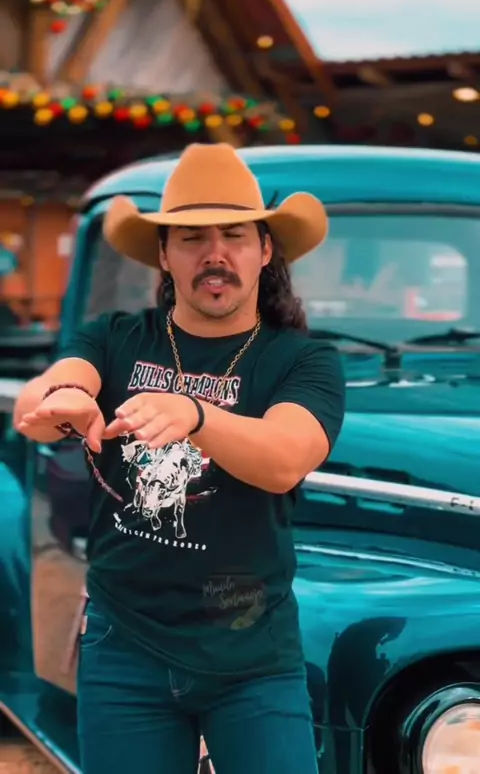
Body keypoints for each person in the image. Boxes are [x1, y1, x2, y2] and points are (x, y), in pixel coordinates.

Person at [14, 143, 346, 774]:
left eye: (234, 236)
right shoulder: (116, 336)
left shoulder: (303, 360)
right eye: (192, 238)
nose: (214, 253)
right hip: (123, 645)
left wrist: (194, 414)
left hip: (252, 654)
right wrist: (67, 396)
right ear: (164, 255)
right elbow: (46, 393)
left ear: (265, 250)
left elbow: (286, 458)